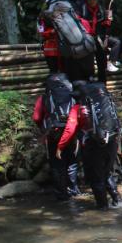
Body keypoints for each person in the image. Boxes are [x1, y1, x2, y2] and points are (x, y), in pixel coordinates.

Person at [58, 81, 122, 209]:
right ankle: (118, 201)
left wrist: (60, 146)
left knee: (96, 178)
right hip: (110, 141)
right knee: (107, 172)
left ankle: (103, 208)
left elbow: (70, 129)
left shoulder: (77, 109)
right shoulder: (105, 104)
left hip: (93, 146)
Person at [32, 73, 80, 202]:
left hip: (53, 133)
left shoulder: (44, 98)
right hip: (72, 132)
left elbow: (36, 117)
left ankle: (62, 194)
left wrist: (43, 128)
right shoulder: (73, 96)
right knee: (72, 160)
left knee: (57, 163)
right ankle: (74, 189)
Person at [75, 0, 122, 80]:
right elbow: (78, 22)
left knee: (102, 63)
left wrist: (106, 36)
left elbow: (107, 24)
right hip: (87, 39)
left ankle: (103, 83)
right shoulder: (82, 9)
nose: (92, 1)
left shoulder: (102, 8)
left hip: (100, 38)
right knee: (88, 65)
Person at [38, 0, 63, 74]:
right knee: (53, 71)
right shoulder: (43, 16)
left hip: (64, 48)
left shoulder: (65, 14)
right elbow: (41, 31)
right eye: (51, 3)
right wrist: (51, 32)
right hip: (50, 48)